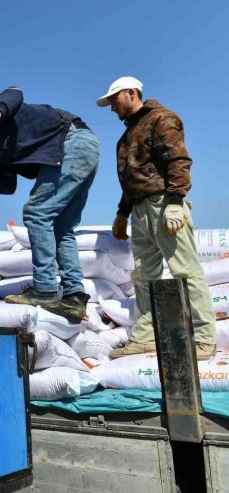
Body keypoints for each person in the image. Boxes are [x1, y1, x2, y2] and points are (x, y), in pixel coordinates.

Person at [0, 86, 99, 323]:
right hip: (78, 148)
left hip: (71, 141)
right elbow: (8, 185)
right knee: (62, 226)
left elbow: (14, 93)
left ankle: (45, 289)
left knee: (36, 212)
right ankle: (74, 296)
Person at [97, 76, 216, 360]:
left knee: (185, 271)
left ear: (131, 93)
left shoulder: (160, 119)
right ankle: (146, 336)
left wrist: (175, 202)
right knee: (143, 276)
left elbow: (178, 160)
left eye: (114, 99)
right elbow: (132, 178)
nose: (112, 106)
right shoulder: (126, 136)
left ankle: (203, 339)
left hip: (165, 205)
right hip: (140, 210)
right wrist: (122, 213)